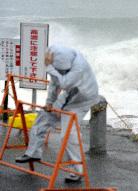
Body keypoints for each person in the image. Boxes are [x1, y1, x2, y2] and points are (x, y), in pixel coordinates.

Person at [16, 45, 99, 183]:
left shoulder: (79, 66)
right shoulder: (56, 61)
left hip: (81, 101)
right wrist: (49, 103)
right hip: (68, 96)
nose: (60, 71)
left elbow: (65, 84)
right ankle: (33, 153)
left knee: (68, 134)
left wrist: (49, 68)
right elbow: (55, 84)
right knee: (43, 116)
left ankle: (76, 171)